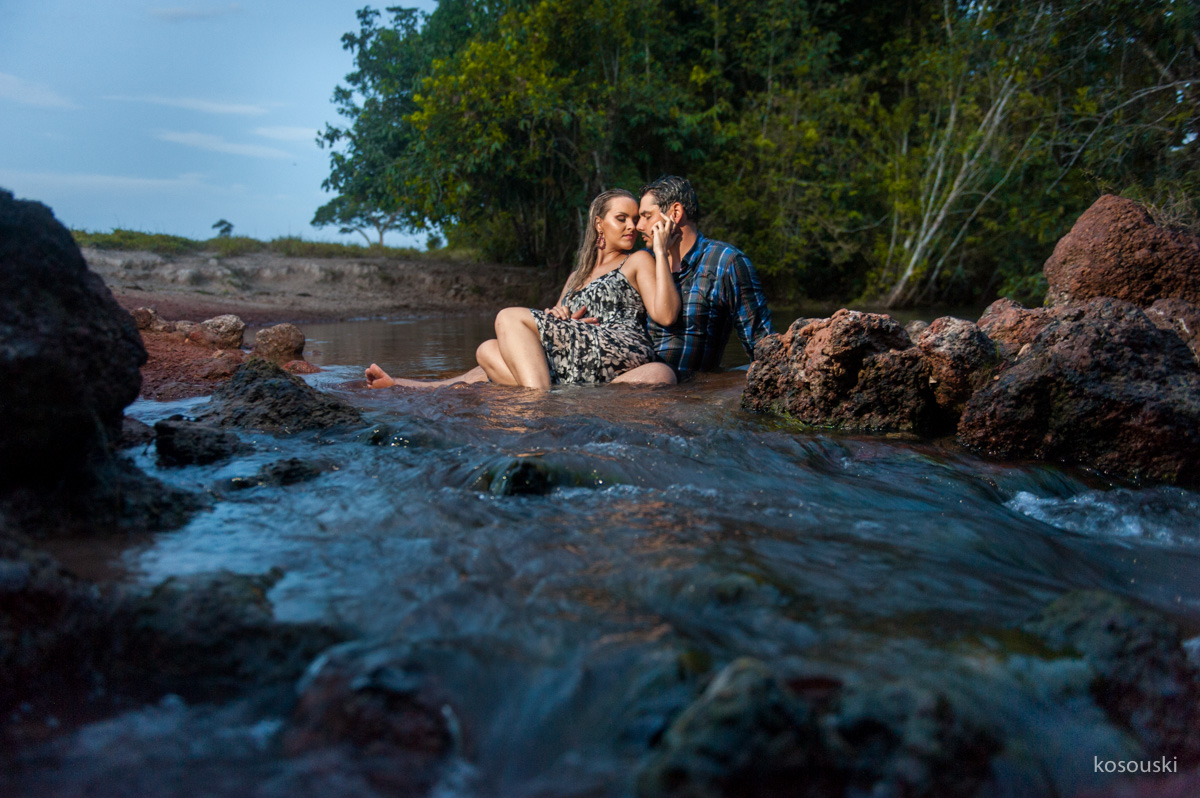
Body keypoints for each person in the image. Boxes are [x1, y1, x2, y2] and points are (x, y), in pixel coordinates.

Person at [366, 189, 680, 389]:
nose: (631, 226)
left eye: (634, 219)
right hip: (580, 356)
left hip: (619, 345)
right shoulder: (574, 277)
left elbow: (665, 315)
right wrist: (557, 316)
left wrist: (662, 252)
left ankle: (537, 409)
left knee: (508, 317)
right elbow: (556, 326)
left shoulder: (638, 259)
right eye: (621, 218)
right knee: (488, 350)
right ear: (599, 224)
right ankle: (406, 385)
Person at [617, 175, 773, 383]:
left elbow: (761, 344)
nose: (638, 226)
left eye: (646, 216)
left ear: (675, 213)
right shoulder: (646, 265)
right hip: (637, 391)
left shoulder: (726, 262)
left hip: (691, 398)